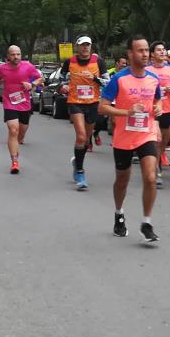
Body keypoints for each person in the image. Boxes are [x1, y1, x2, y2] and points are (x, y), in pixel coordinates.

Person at [99, 35, 163, 243]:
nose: (145, 54)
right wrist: (127, 112)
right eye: (140, 51)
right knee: (122, 181)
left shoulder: (153, 78)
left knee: (151, 177)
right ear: (130, 54)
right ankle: (119, 213)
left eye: (146, 50)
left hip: (147, 134)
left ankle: (147, 222)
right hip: (124, 137)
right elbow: (103, 107)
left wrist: (159, 107)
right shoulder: (119, 79)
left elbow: (158, 100)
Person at [60, 36, 109, 191]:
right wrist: (62, 87)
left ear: (91, 47)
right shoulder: (70, 62)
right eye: (82, 45)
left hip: (93, 103)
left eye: (87, 45)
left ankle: (77, 162)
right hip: (75, 102)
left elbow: (108, 82)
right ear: (77, 47)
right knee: (81, 136)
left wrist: (94, 78)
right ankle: (80, 172)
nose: (85, 48)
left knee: (86, 139)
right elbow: (61, 80)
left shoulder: (98, 61)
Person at [0, 46, 43, 174]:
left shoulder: (28, 66)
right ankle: (14, 161)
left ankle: (16, 146)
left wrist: (32, 84)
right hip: (10, 103)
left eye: (18, 54)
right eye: (13, 54)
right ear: (8, 56)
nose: (16, 57)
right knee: (13, 130)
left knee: (21, 133)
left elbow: (40, 78)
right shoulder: (2, 68)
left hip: (24, 104)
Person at [145, 41, 170, 188]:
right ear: (152, 54)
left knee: (162, 141)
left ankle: (157, 163)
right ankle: (155, 169)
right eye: (159, 50)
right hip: (150, 110)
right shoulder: (146, 69)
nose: (162, 52)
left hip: (166, 108)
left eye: (164, 49)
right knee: (155, 140)